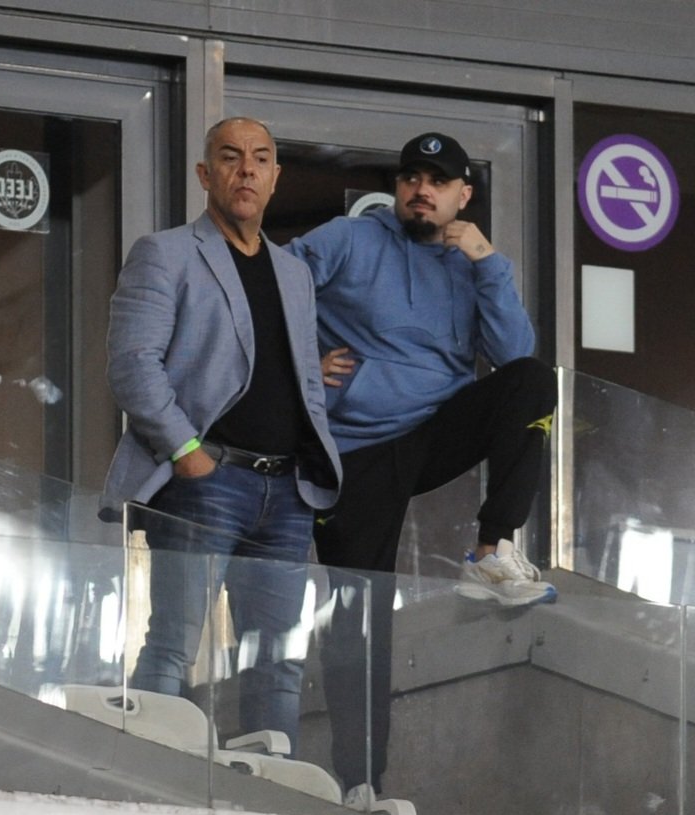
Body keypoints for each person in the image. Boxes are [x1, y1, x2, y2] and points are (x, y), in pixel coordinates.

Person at [286, 132, 558, 794]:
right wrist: (305, 367)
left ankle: (491, 549)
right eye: (411, 176)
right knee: (360, 611)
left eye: (437, 181)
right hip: (357, 449)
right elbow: (270, 288)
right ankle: (362, 785)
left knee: (532, 381)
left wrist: (486, 259)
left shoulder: (474, 265)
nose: (421, 189)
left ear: (462, 196)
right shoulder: (351, 239)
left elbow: (514, 354)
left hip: (433, 429)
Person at [102, 117, 342, 753]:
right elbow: (132, 364)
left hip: (285, 492)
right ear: (206, 175)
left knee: (279, 661)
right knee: (174, 643)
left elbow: (298, 381)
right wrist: (186, 453)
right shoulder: (166, 252)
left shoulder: (294, 273)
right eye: (231, 159)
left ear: (274, 178)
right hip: (207, 479)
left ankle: (271, 789)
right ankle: (143, 781)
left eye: (260, 159)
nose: (247, 171)